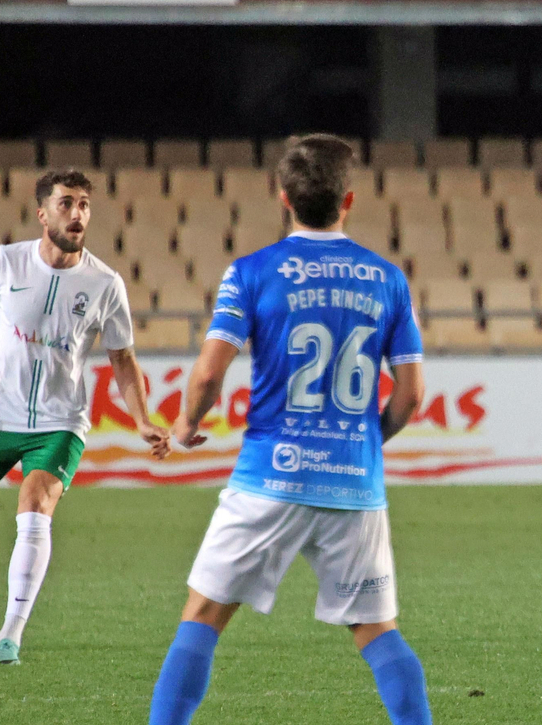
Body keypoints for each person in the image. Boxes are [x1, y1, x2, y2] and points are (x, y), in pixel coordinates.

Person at [148, 135, 432, 725]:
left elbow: (207, 374)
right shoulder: (386, 279)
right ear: (347, 199)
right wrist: (361, 446)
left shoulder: (251, 273)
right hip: (354, 483)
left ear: (284, 199)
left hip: (267, 477)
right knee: (378, 632)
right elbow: (410, 398)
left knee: (202, 615)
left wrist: (184, 426)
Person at [0, 170, 170, 665]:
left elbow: (122, 358)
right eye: (67, 203)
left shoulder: (104, 283)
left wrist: (141, 419)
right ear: (42, 213)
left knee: (34, 507)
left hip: (58, 422)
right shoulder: (4, 264)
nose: (78, 214)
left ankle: (10, 633)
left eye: (85, 205)